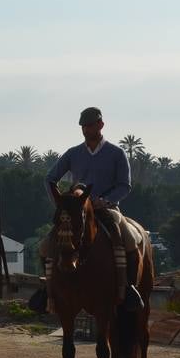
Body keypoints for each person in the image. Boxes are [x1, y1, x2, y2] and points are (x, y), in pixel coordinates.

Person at [37, 106, 143, 310]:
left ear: (100, 125)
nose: (86, 130)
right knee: (46, 245)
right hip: (76, 212)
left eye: (90, 125)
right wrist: (61, 204)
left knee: (129, 240)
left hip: (107, 209)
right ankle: (47, 291)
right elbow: (50, 178)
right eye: (83, 126)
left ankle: (128, 287)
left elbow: (124, 185)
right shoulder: (73, 153)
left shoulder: (116, 153)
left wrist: (106, 200)